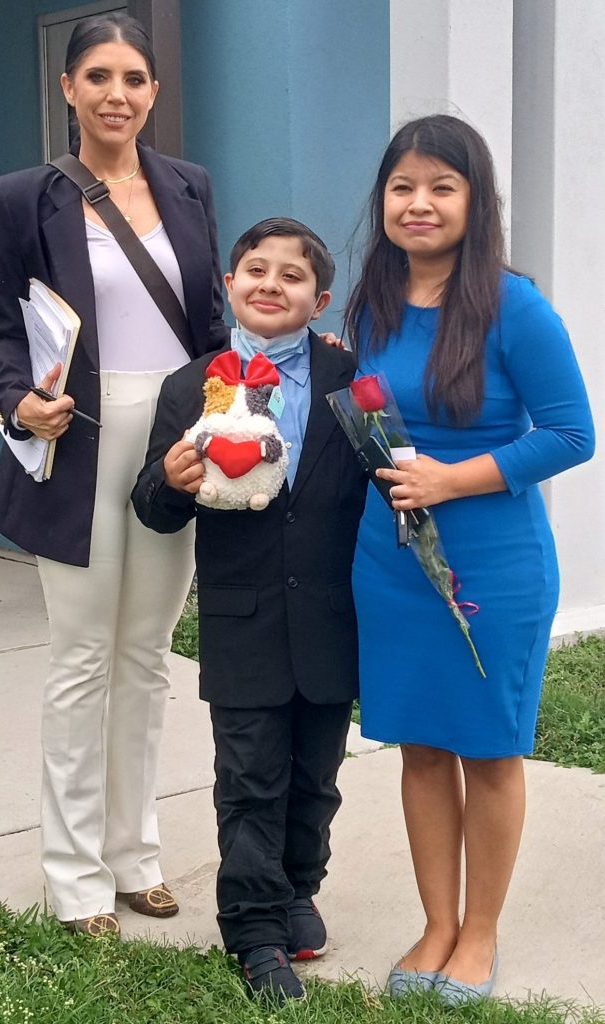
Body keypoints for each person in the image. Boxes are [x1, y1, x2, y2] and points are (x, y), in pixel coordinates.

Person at [0, 12, 227, 936]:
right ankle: (76, 877)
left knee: (148, 656)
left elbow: (209, 317)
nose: (117, 94)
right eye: (98, 78)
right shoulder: (19, 197)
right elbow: (3, 327)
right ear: (69, 88)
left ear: (153, 92)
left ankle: (135, 856)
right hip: (78, 437)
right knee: (82, 658)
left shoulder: (190, 188)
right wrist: (18, 402)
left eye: (134, 78)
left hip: (174, 434)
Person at [344, 114, 595, 1004]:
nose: (419, 204)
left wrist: (454, 482)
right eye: (404, 186)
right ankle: (436, 925)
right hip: (390, 561)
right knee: (417, 747)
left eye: (441, 187)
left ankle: (480, 934)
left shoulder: (513, 305)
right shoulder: (371, 302)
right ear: (383, 200)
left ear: (474, 203)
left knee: (489, 750)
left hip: (492, 561)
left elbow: (573, 433)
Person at [132, 218, 368, 1002]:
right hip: (244, 621)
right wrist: (168, 477)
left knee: (318, 779)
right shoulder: (190, 385)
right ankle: (256, 932)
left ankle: (299, 885)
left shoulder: (351, 382)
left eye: (291, 275)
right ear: (230, 286)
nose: (271, 283)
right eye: (255, 270)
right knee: (252, 781)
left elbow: (384, 474)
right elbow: (155, 511)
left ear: (319, 299)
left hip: (333, 616)